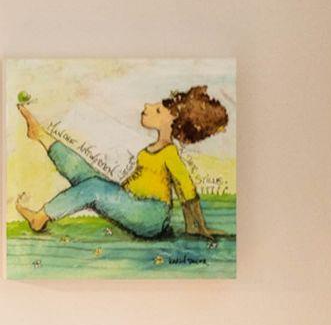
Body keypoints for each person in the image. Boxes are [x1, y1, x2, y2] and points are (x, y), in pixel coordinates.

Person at [14, 86, 229, 240]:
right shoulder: (152, 149)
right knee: (86, 174)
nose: (147, 106)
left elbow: (186, 188)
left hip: (150, 216)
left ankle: (40, 217)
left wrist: (197, 227)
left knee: (94, 187)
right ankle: (41, 135)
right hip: (132, 202)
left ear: (172, 123)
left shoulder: (169, 153)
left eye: (157, 110)